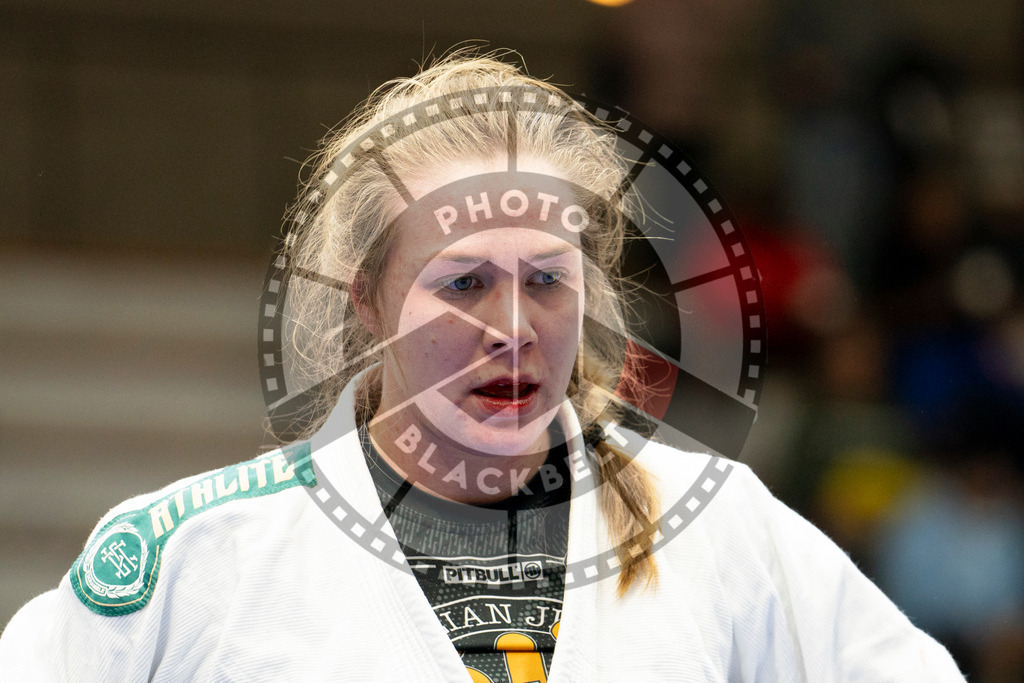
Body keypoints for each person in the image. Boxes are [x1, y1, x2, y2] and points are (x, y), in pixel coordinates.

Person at [0, 52, 965, 682]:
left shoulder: (722, 530)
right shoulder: (191, 559)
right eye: (461, 282)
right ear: (365, 301)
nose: (512, 323)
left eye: (545, 279)